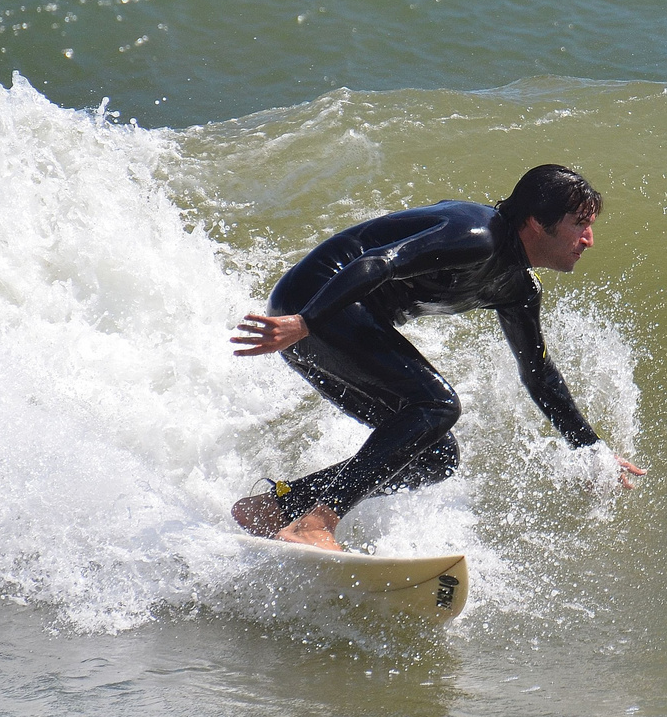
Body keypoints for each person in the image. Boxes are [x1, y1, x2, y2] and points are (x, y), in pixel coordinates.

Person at [228, 164, 644, 551]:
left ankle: (278, 507)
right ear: (537, 221)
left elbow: (538, 375)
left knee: (436, 455)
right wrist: (304, 321)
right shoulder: (477, 236)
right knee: (438, 404)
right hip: (318, 303)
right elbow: (378, 263)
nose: (588, 239)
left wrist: (590, 449)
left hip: (329, 320)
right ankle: (315, 523)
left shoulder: (518, 287)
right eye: (581, 225)